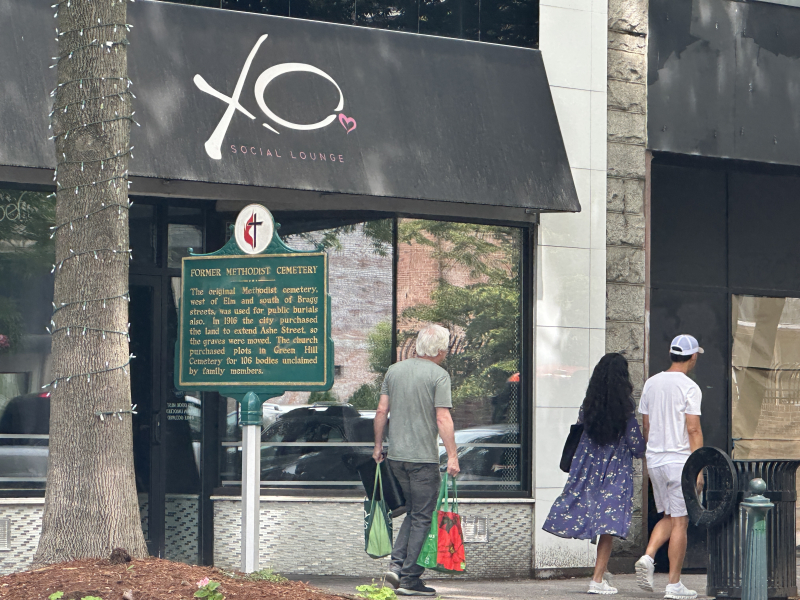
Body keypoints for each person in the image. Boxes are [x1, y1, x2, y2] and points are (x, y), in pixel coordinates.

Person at [543, 353, 645, 595]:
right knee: (608, 525)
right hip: (614, 471)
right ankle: (597, 579)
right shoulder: (625, 409)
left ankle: (603, 573)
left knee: (591, 515)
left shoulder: (588, 405)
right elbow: (637, 447)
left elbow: (579, 430)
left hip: (587, 468)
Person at [372, 324, 460, 597]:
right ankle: (409, 579)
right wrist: (453, 456)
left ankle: (396, 569)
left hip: (396, 458)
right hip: (423, 461)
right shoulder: (439, 375)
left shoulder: (394, 371)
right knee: (422, 517)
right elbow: (442, 417)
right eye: (445, 349)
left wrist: (377, 447)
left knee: (414, 514)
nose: (445, 353)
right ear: (439, 350)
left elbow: (381, 411)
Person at [635, 334, 704, 600]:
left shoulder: (651, 384)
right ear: (693, 356)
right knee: (681, 522)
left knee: (668, 516)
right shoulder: (689, 387)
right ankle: (674, 585)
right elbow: (693, 428)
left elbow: (647, 426)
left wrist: (652, 453)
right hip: (679, 461)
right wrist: (697, 468)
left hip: (655, 459)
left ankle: (648, 557)